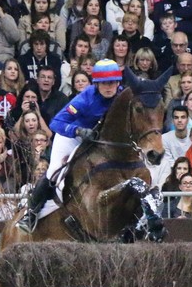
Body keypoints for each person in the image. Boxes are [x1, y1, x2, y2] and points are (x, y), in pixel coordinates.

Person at [15, 58, 122, 233]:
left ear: (118, 82)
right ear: (96, 84)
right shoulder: (85, 99)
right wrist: (78, 130)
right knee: (53, 172)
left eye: (112, 82)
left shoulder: (122, 96)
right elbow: (56, 123)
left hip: (100, 142)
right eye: (104, 83)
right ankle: (31, 213)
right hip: (72, 138)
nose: (109, 87)